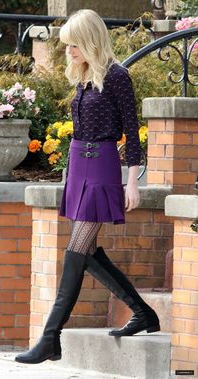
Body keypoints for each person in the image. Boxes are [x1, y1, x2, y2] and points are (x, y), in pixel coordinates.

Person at [15, 8, 160, 365]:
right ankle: (143, 313)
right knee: (87, 250)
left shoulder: (117, 77)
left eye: (74, 46)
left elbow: (132, 131)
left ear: (89, 41)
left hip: (102, 165)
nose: (69, 52)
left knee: (77, 249)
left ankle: (50, 338)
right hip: (79, 164)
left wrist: (132, 182)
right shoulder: (83, 75)